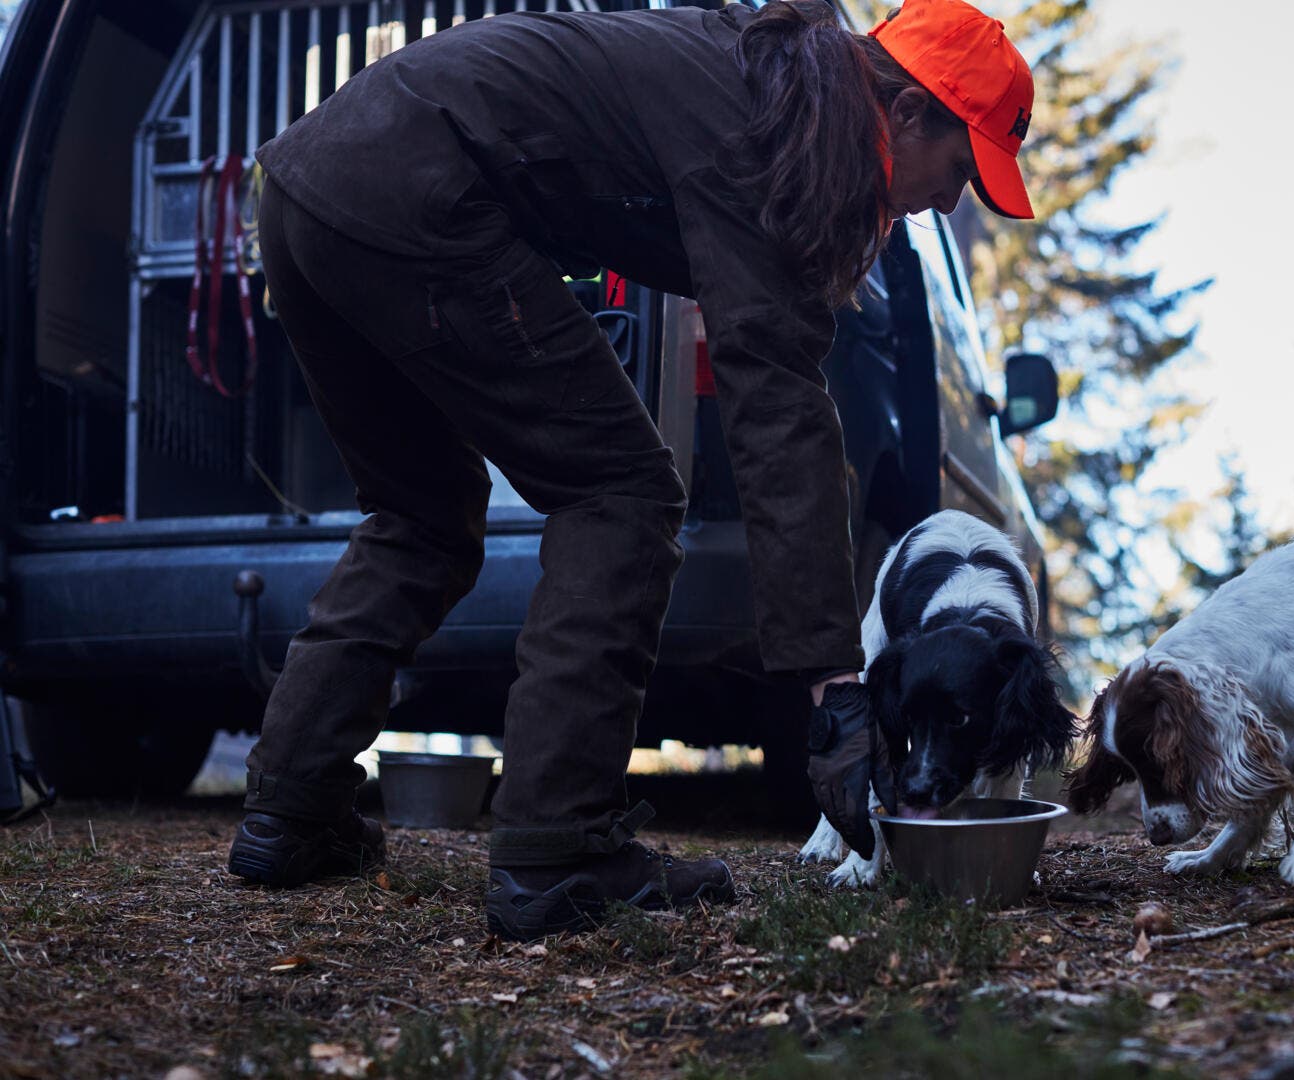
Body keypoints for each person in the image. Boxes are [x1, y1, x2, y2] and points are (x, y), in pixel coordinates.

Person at [225, 0, 1036, 940]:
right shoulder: (781, 135)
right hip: (417, 196)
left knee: (420, 518)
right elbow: (779, 413)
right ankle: (557, 850)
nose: (950, 201)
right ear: (902, 112)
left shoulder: (775, 81)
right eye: (961, 168)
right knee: (622, 495)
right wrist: (834, 693)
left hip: (306, 191)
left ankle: (290, 807)